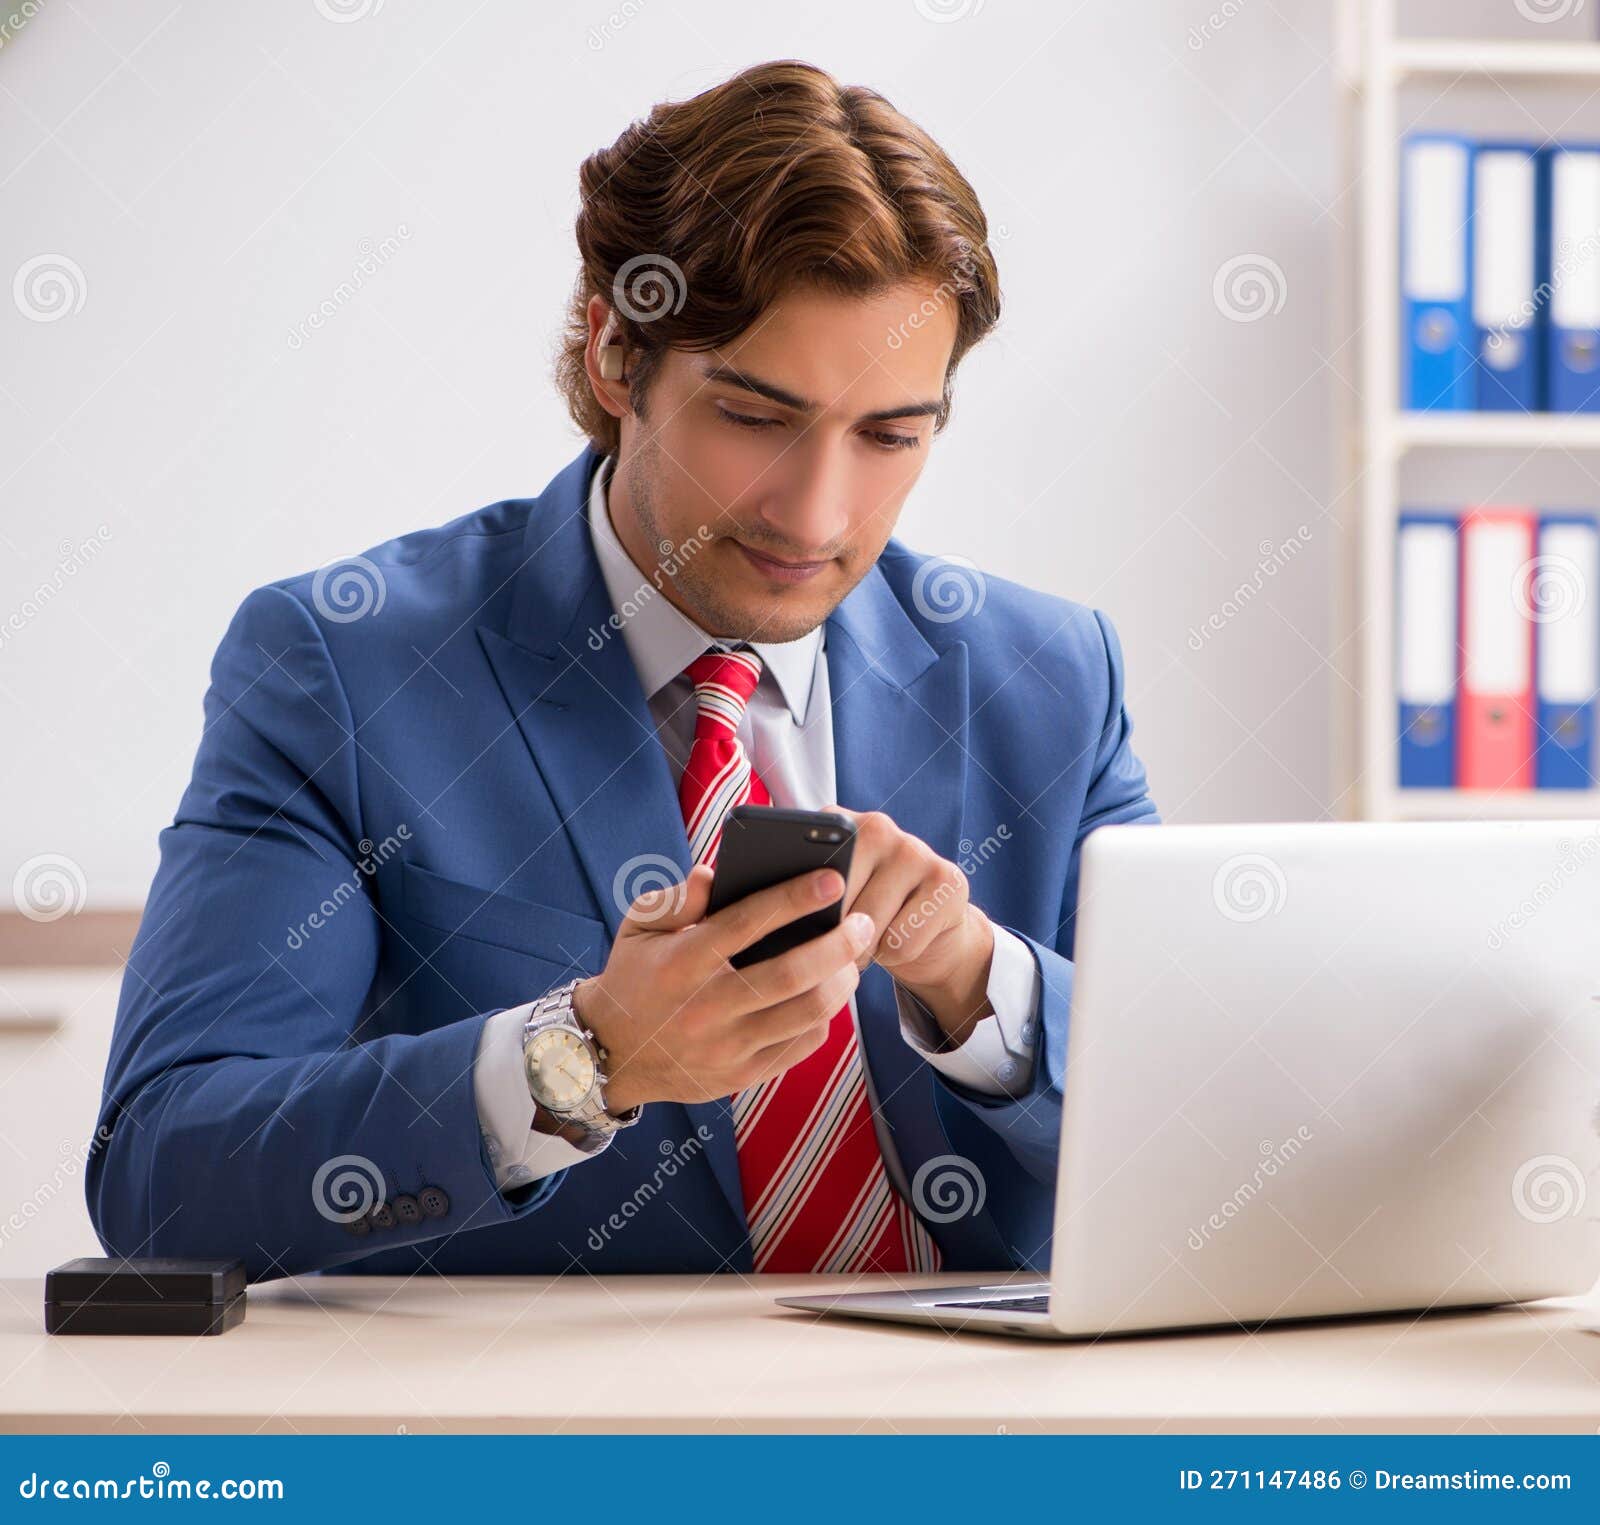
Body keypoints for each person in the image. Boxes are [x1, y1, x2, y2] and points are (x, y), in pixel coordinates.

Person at [88, 59, 1158, 1281]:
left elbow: (1213, 1144)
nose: (815, 514)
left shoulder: (1051, 678)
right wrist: (586, 1058)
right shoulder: (343, 668)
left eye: (888, 436)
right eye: (754, 419)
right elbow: (164, 1177)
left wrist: (980, 987)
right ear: (612, 354)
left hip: (996, 1428)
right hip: (558, 1442)